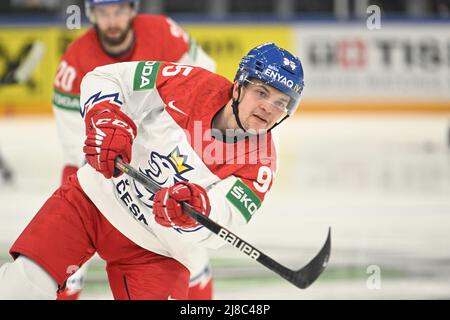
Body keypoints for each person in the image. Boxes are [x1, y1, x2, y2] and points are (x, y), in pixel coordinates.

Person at [0, 42, 304, 300]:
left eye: (281, 103)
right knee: (21, 286)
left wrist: (197, 212)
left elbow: (225, 223)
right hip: (92, 200)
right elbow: (107, 78)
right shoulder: (191, 83)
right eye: (262, 92)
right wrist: (108, 119)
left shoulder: (261, 164)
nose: (269, 108)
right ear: (238, 86)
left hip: (157, 251)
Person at [53, 0, 215, 299]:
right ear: (91, 15)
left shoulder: (164, 33)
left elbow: (207, 83)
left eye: (118, 11)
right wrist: (104, 160)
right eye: (103, 13)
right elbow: (73, 142)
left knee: (189, 251)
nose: (112, 20)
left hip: (158, 157)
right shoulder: (75, 63)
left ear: (132, 10)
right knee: (66, 265)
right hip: (93, 167)